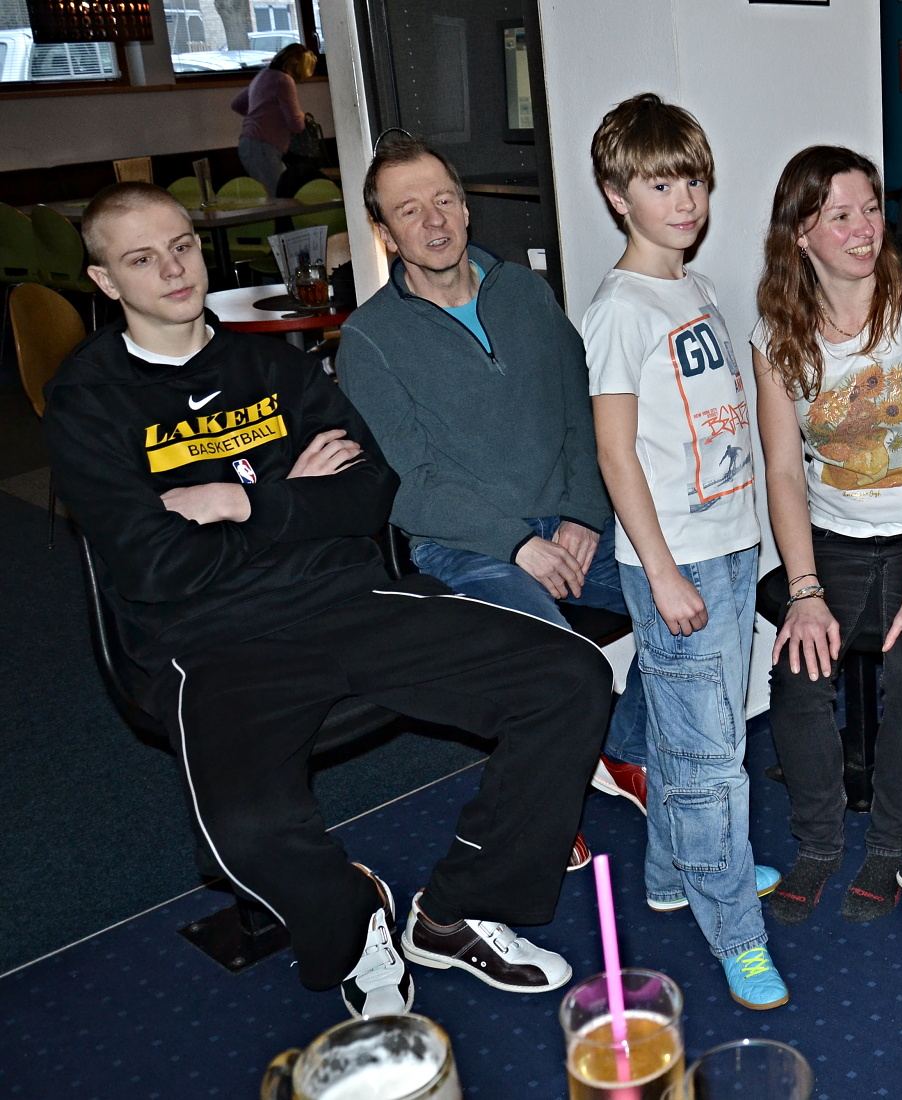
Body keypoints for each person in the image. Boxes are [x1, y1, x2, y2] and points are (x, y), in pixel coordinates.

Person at [47, 182, 611, 1020]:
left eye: (182, 246)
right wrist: (296, 494)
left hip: (347, 597)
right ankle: (352, 921)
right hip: (211, 640)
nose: (173, 269)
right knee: (244, 838)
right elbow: (153, 566)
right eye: (142, 258)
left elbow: (369, 492)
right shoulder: (88, 400)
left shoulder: (273, 365)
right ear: (104, 280)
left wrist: (238, 502)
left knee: (570, 677)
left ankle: (457, 911)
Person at [337, 135, 649, 864]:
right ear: (385, 233)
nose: (434, 221)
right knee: (556, 661)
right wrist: (517, 544)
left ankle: (622, 746)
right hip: (466, 545)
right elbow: (408, 483)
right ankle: (538, 799)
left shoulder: (526, 293)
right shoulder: (369, 340)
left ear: (466, 208)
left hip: (569, 520)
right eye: (409, 211)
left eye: (444, 200)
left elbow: (582, 415)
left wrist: (583, 513)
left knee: (695, 595)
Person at [583, 93, 786, 1010]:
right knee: (712, 763)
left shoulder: (693, 289)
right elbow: (615, 454)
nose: (685, 201)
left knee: (689, 732)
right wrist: (662, 572)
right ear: (618, 195)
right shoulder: (620, 309)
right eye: (661, 185)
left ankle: (676, 870)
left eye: (693, 182)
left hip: (730, 543)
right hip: (678, 560)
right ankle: (735, 928)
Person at [753, 145, 902, 925]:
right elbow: (784, 471)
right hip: (835, 535)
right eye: (839, 215)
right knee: (798, 669)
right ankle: (817, 845)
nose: (863, 228)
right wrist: (805, 592)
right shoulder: (777, 333)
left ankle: (888, 845)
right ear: (800, 233)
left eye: (871, 209)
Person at [231, 43, 314, 195]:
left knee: (274, 191)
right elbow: (296, 124)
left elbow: (237, 104)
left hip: (247, 143)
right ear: (297, 65)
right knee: (279, 194)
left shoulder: (263, 75)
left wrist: (261, 115)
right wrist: (303, 116)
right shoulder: (284, 81)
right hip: (265, 148)